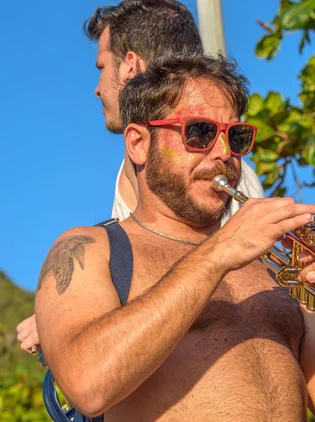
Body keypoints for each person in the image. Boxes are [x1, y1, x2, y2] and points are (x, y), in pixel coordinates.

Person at [35, 52, 315, 421]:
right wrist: (219, 251)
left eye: (236, 135)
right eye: (199, 132)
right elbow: (87, 384)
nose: (224, 153)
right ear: (138, 143)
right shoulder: (92, 249)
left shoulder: (278, 271)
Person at [16, 0, 264, 355]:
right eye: (198, 133)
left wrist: (84, 316)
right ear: (137, 144)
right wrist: (75, 309)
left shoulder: (219, 174)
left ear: (129, 66)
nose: (98, 88)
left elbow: (239, 295)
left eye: (101, 67)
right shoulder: (136, 173)